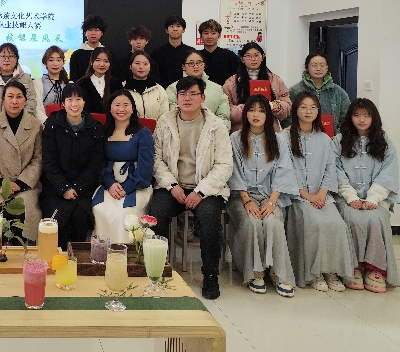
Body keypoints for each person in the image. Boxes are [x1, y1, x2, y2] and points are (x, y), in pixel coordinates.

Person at [148, 76, 233, 300]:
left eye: (193, 94)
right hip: (173, 185)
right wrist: (172, 185)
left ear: (202, 97)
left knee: (209, 219)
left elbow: (224, 165)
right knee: (156, 214)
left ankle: (210, 275)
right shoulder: (165, 122)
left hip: (206, 188)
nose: (187, 98)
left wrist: (201, 191)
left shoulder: (216, 126)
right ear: (176, 98)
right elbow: (156, 160)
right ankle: (157, 270)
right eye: (182, 94)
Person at [227, 95, 299, 297]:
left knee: (272, 222)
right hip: (241, 197)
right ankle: (255, 273)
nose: (256, 114)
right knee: (251, 222)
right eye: (252, 110)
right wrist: (247, 201)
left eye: (261, 110)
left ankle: (278, 273)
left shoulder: (279, 139)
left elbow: (284, 171)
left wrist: (272, 202)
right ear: (245, 114)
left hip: (271, 197)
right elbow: (234, 172)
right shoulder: (235, 138)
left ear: (268, 115)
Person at [284, 92, 354, 291]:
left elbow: (331, 169)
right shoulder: (284, 137)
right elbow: (284, 171)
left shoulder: (325, 139)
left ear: (318, 111)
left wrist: (322, 194)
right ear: (296, 110)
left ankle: (331, 271)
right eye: (303, 107)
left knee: (336, 224)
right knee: (315, 223)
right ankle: (315, 273)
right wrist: (306, 195)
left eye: (313, 107)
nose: (308, 111)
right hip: (297, 197)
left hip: (322, 196)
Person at [334, 99, 399, 292]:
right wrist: (351, 197)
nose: (361, 120)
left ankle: (375, 269)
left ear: (373, 118)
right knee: (353, 218)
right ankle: (353, 267)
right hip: (346, 197)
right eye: (357, 115)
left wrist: (373, 198)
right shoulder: (338, 141)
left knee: (375, 218)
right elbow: (336, 171)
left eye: (366, 115)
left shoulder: (385, 142)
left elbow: (389, 173)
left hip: (378, 199)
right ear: (350, 117)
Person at [40, 84, 104, 249]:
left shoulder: (95, 128)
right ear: (63, 103)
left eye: (78, 99)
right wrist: (64, 188)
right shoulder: (52, 125)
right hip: (55, 188)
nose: (74, 104)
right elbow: (49, 162)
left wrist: (76, 187)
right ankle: (56, 259)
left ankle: (77, 260)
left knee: (80, 217)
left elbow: (95, 165)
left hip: (83, 189)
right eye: (69, 99)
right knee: (59, 220)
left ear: (84, 102)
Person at [0, 80, 43, 242]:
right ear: (3, 99)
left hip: (26, 185)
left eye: (19, 97)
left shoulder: (35, 126)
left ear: (25, 100)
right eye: (10, 96)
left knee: (27, 208)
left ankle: (21, 250)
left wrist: (20, 184)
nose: (14, 101)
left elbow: (38, 159)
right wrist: (0, 184)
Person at [91, 89, 154, 245]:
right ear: (110, 108)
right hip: (108, 185)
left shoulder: (143, 134)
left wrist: (126, 187)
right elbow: (98, 162)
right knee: (100, 209)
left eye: (126, 105)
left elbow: (145, 169)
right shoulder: (103, 132)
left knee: (125, 213)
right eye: (117, 105)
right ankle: (102, 253)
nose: (121, 109)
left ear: (132, 108)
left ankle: (126, 253)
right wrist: (110, 184)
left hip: (136, 186)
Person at [222, 42, 291, 132]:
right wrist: (246, 108)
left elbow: (287, 106)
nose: (253, 59)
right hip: (241, 131)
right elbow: (225, 111)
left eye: (256, 55)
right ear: (242, 59)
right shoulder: (231, 83)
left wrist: (274, 106)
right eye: (248, 56)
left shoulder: (275, 80)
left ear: (262, 57)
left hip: (269, 131)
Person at [165, 49, 231, 130]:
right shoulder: (173, 89)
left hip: (212, 134)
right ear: (183, 66)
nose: (196, 66)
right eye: (191, 63)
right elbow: (171, 117)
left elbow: (224, 117)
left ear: (204, 65)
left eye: (199, 63)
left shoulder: (217, 89)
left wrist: (216, 134)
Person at [287, 52, 350, 129]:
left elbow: (347, 118)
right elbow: (287, 117)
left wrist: (338, 134)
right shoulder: (295, 90)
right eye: (314, 65)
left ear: (327, 67)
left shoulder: (338, 92)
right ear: (307, 67)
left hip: (332, 136)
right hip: (301, 134)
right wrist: (297, 132)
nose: (318, 68)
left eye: (322, 65)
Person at [0, 43, 36, 119]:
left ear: (16, 59)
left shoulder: (26, 78)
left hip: (20, 124)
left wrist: (19, 123)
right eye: (3, 56)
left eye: (10, 56)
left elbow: (30, 105)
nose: (6, 59)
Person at [122, 50, 168, 120]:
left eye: (145, 64)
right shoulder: (122, 88)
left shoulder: (159, 90)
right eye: (137, 63)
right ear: (130, 66)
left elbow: (165, 114)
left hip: (156, 127)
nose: (141, 67)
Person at [76, 47, 122, 115]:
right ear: (91, 62)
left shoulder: (116, 84)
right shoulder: (81, 83)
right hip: (88, 121)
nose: (102, 64)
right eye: (98, 60)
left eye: (106, 61)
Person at [150, 15, 193, 88]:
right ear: (166, 30)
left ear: (183, 30)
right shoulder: (157, 53)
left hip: (186, 90)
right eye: (171, 26)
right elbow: (153, 75)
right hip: (162, 91)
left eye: (178, 26)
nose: (175, 29)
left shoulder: (191, 52)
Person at [34, 45, 70, 123]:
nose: (55, 64)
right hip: (44, 125)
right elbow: (36, 108)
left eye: (59, 60)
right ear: (45, 63)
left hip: (66, 125)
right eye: (51, 60)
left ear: (63, 62)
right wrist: (49, 124)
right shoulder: (37, 83)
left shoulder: (69, 84)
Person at [198, 19, 239, 86]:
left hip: (224, 92)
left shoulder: (230, 56)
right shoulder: (196, 56)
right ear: (201, 36)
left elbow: (236, 77)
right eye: (206, 33)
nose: (209, 36)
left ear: (219, 35)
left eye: (213, 33)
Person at [69, 15, 110, 81]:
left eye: (96, 30)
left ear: (102, 33)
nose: (93, 33)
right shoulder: (77, 55)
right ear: (85, 33)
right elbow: (74, 78)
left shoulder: (108, 54)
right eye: (90, 30)